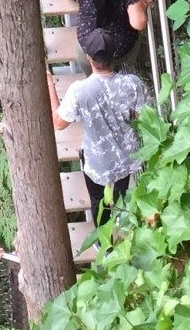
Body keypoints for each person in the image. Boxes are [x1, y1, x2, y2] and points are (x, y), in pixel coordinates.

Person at [48, 48, 151, 227]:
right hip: (126, 158)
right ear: (114, 57)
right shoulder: (132, 83)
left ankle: (104, 239)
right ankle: (124, 223)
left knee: (98, 200)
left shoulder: (78, 90)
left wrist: (49, 84)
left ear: (88, 58)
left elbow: (58, 123)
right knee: (122, 194)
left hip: (97, 163)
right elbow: (145, 118)